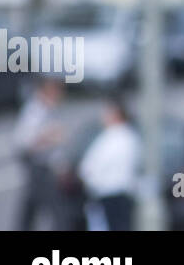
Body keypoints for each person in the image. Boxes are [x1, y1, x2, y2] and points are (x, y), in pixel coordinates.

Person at [77, 98, 142, 231]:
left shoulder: (111, 137)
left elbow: (90, 167)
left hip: (107, 193)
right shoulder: (132, 137)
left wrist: (90, 180)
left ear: (116, 114)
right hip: (124, 193)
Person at [13, 77, 66, 230]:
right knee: (57, 207)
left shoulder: (50, 110)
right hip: (38, 165)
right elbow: (23, 142)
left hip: (46, 165)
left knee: (31, 206)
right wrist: (49, 137)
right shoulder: (35, 112)